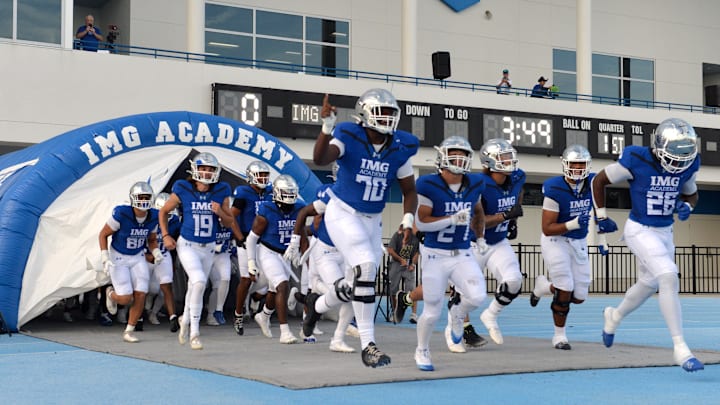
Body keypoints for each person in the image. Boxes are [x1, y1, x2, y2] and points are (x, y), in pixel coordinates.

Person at [310, 89, 419, 368]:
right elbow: (321, 158)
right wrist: (326, 127)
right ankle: (368, 346)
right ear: (365, 113)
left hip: (373, 219)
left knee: (354, 284)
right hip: (343, 212)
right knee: (367, 269)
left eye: (391, 113)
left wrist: (408, 218)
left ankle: (318, 306)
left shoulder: (400, 147)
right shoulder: (350, 135)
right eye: (381, 112)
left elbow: (409, 190)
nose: (387, 118)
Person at [593, 118, 704, 372]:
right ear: (658, 147)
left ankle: (615, 316)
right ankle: (680, 348)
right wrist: (601, 216)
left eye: (683, 158)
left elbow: (691, 192)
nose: (677, 163)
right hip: (640, 228)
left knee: (648, 283)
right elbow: (598, 181)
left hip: (665, 231)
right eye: (673, 157)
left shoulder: (687, 164)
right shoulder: (636, 158)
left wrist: (688, 205)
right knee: (668, 275)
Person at [413, 136, 488, 371]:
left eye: (464, 154)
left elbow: (477, 210)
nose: (460, 159)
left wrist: (481, 236)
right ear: (442, 157)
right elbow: (422, 223)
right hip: (435, 253)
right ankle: (422, 349)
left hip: (462, 252)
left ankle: (457, 313)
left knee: (477, 296)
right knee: (432, 308)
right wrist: (451, 219)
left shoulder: (475, 183)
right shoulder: (427, 184)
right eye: (454, 153)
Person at [159, 152, 242, 350]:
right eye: (203, 168)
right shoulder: (183, 187)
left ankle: (185, 320)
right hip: (187, 244)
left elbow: (229, 221)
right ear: (195, 169)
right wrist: (165, 235)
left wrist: (220, 211)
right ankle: (194, 332)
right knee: (198, 281)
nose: (206, 172)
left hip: (209, 247)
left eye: (210, 169)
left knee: (195, 287)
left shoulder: (221, 190)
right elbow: (163, 211)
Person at [530, 145, 597, 350]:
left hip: (578, 241)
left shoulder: (593, 183)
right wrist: (573, 224)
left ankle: (543, 287)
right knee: (565, 287)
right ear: (565, 164)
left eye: (581, 164)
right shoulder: (554, 188)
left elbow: (599, 207)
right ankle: (559, 336)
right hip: (556, 240)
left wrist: (602, 235)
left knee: (579, 297)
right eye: (573, 164)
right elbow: (548, 228)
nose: (577, 168)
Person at [285, 164, 356, 352]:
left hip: (345, 251)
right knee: (342, 293)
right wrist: (296, 242)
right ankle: (315, 308)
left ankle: (336, 336)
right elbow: (311, 218)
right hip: (325, 250)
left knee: (351, 295)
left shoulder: (362, 195)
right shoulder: (328, 193)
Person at [474, 138, 525, 345]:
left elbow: (517, 193)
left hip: (498, 242)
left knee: (514, 281)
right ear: (489, 161)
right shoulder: (478, 183)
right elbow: (474, 223)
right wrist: (505, 216)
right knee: (469, 295)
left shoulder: (517, 177)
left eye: (509, 155)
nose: (509, 160)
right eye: (503, 157)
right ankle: (456, 328)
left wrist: (512, 220)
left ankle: (491, 314)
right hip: (474, 243)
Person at [100, 181, 163, 343]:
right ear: (133, 198)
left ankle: (129, 330)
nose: (143, 200)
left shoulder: (154, 216)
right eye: (140, 197)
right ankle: (110, 294)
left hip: (137, 256)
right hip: (119, 256)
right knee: (126, 298)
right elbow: (103, 234)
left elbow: (152, 239)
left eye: (146, 197)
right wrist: (104, 257)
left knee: (141, 293)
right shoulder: (122, 213)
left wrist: (155, 251)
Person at [246, 175, 305, 344]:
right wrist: (251, 262)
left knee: (274, 289)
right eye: (285, 192)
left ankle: (264, 315)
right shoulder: (267, 210)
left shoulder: (299, 208)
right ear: (277, 192)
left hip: (285, 253)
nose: (289, 196)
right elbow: (251, 238)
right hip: (268, 252)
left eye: (291, 192)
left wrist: (298, 249)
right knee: (283, 286)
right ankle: (284, 331)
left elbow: (301, 230)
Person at [232, 161, 273, 336]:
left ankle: (255, 300)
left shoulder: (271, 192)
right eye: (260, 175)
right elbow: (231, 216)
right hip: (247, 240)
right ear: (250, 176)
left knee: (269, 278)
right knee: (246, 279)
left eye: (265, 175)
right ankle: (238, 313)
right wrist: (239, 237)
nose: (263, 178)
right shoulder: (243, 193)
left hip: (265, 241)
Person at [143, 192, 180, 331]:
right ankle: (135, 314)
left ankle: (172, 317)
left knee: (165, 288)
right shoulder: (148, 218)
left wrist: (175, 260)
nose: (166, 217)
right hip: (146, 255)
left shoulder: (175, 221)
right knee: (145, 289)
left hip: (164, 254)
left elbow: (177, 240)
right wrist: (146, 256)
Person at [387, 225, 420, 323]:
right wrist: (400, 259)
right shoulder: (397, 235)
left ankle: (413, 314)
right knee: (393, 289)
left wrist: (413, 264)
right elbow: (390, 250)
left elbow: (417, 252)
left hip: (409, 264)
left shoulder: (416, 237)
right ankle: (394, 312)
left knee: (412, 289)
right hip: (396, 264)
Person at [205, 223, 234, 326]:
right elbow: (200, 242)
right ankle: (189, 314)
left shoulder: (231, 223)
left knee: (225, 279)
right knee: (199, 285)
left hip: (223, 255)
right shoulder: (210, 222)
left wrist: (233, 247)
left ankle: (217, 311)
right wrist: (216, 247)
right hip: (208, 255)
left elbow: (234, 238)